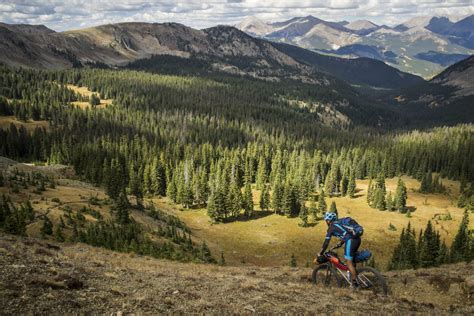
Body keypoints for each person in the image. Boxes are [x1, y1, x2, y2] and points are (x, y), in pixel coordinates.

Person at [317, 212, 363, 288]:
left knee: (348, 262)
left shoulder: (331, 228)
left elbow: (326, 243)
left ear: (329, 220)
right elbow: (346, 234)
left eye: (326, 220)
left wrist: (321, 253)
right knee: (351, 260)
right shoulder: (339, 223)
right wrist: (340, 244)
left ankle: (355, 284)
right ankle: (353, 276)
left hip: (350, 241)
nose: (326, 222)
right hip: (357, 239)